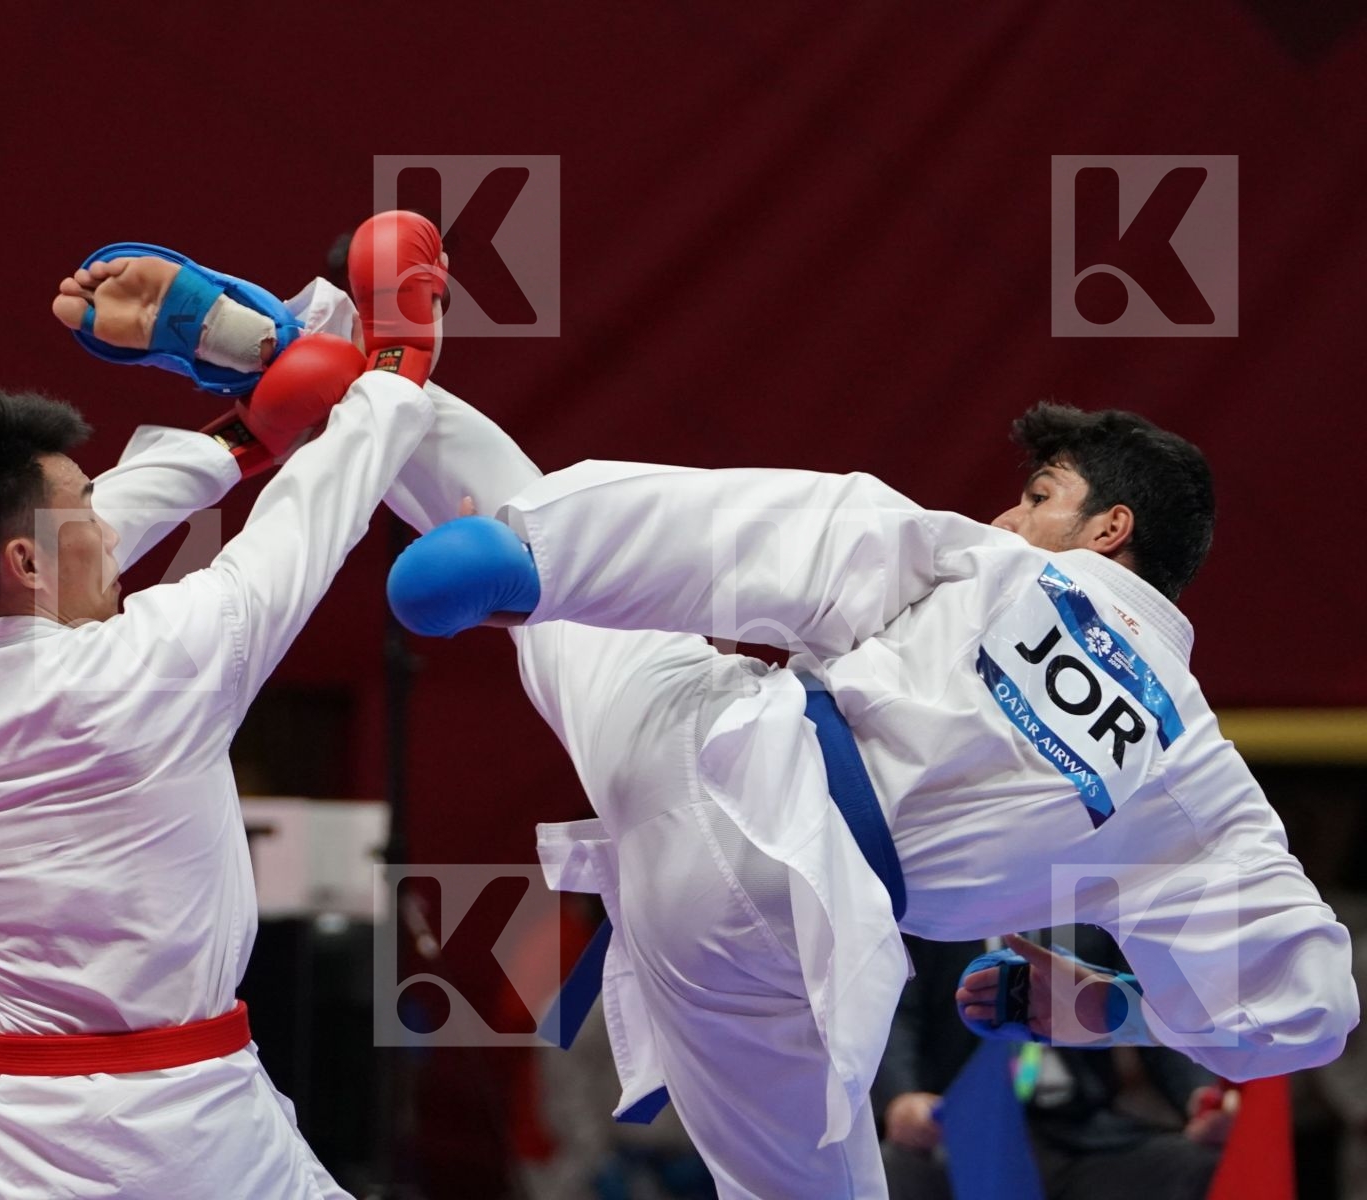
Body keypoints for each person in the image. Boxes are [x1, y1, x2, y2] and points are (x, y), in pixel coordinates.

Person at [381, 290, 1359, 1195]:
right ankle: (490, 510)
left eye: (1039, 494)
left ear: (1109, 528)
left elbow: (804, 534)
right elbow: (1308, 1012)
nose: (1006, 513)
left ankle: (354, 385)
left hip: (715, 755)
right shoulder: (1195, 773)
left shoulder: (993, 564)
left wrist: (545, 559)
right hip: (783, 930)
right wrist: (1121, 1007)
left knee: (567, 592)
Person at [0, 248, 438, 1198]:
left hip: (4, 1138)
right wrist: (397, 365)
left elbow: (83, 539)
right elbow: (308, 522)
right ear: (28, 558)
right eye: (83, 500)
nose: (105, 518)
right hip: (188, 1139)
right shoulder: (143, 669)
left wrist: (240, 438)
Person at [874, 930, 1230, 1200]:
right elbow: (894, 1012)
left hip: (1079, 1132)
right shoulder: (929, 912)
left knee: (1201, 1165)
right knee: (891, 1173)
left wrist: (1197, 1095)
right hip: (956, 1131)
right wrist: (900, 1100)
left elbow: (1147, 1009)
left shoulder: (1088, 898)